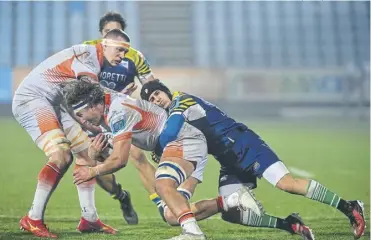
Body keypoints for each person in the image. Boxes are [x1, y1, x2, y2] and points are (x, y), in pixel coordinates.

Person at [140, 80, 366, 240]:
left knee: (287, 184)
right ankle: (289, 223)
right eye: (151, 100)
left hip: (244, 144)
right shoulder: (171, 114)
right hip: (228, 160)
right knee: (232, 214)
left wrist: (156, 145)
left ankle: (349, 207)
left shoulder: (182, 101)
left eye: (157, 94)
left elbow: (169, 135)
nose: (156, 100)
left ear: (165, 91)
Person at [62, 80, 262, 240]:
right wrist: (95, 156)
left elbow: (119, 160)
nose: (82, 120)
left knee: (163, 185)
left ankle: (193, 234)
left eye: (81, 114)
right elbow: (109, 157)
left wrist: (92, 170)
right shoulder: (106, 107)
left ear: (92, 105)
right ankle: (233, 200)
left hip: (183, 139)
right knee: (172, 215)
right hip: (180, 145)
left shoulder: (117, 112)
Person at [12, 29, 130, 238]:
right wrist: (112, 118)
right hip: (33, 100)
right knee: (61, 155)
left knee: (86, 154)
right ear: (106, 44)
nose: (122, 56)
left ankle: (89, 219)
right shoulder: (88, 58)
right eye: (119, 50)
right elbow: (94, 99)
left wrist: (92, 126)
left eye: (125, 53)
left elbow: (81, 102)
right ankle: (32, 218)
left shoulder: (93, 58)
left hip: (57, 104)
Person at [82, 11, 160, 217]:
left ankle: (164, 204)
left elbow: (150, 85)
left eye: (117, 32)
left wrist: (160, 100)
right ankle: (120, 195)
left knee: (137, 156)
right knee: (96, 161)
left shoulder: (134, 56)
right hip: (94, 119)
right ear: (101, 34)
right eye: (108, 32)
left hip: (121, 116)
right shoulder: (87, 50)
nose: (112, 36)